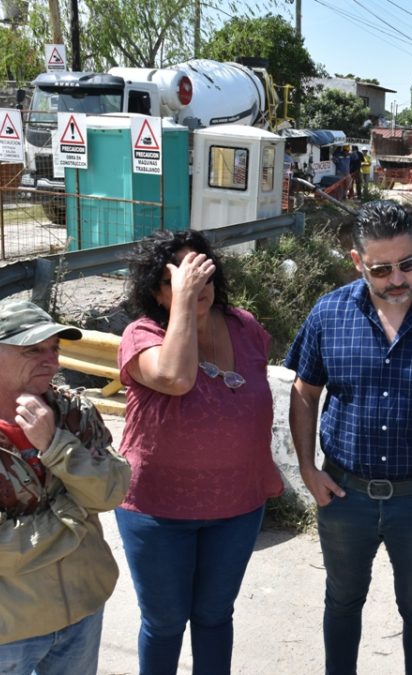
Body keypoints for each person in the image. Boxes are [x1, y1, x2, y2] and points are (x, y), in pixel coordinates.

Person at [285, 200, 412, 675]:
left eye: (408, 264)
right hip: (343, 496)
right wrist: (308, 470)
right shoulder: (329, 313)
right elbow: (305, 392)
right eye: (381, 269)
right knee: (341, 601)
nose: (397, 278)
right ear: (357, 262)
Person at [0, 300, 132, 675]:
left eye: (54, 349)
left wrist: (55, 444)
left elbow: (111, 492)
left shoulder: (73, 412)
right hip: (5, 630)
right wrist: (74, 512)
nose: (52, 362)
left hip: (82, 610)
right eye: (33, 350)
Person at [116, 230, 284, 675]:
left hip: (236, 507)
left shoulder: (245, 327)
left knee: (214, 617)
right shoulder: (141, 335)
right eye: (181, 278)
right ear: (156, 289)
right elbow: (175, 378)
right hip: (157, 510)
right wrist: (185, 305)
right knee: (166, 623)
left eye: (203, 273)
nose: (198, 286)